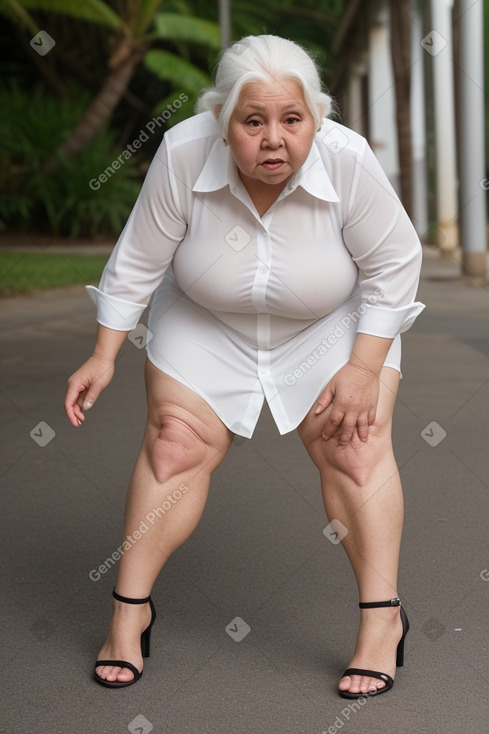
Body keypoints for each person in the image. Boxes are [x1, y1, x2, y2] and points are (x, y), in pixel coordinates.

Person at [64, 34, 424, 698]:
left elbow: (394, 266)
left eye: (291, 120)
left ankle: (382, 623)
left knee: (354, 446)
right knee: (173, 444)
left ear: (315, 117)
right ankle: (129, 611)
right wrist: (103, 354)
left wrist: (364, 369)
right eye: (251, 121)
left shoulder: (346, 160)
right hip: (206, 321)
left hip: (331, 324)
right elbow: (138, 261)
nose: (272, 139)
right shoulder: (182, 152)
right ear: (220, 119)